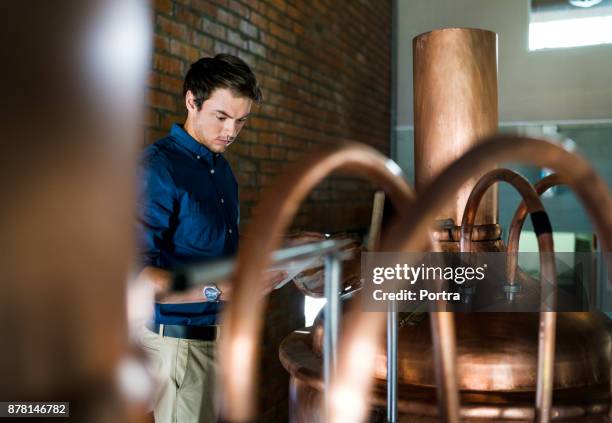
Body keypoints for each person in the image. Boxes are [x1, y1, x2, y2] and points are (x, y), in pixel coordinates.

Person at [135, 54, 289, 423]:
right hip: (179, 348)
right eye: (222, 117)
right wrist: (219, 290)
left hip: (216, 341)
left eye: (241, 121)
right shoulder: (158, 168)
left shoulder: (220, 169)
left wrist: (285, 246)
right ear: (192, 101)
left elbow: (211, 241)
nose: (231, 131)